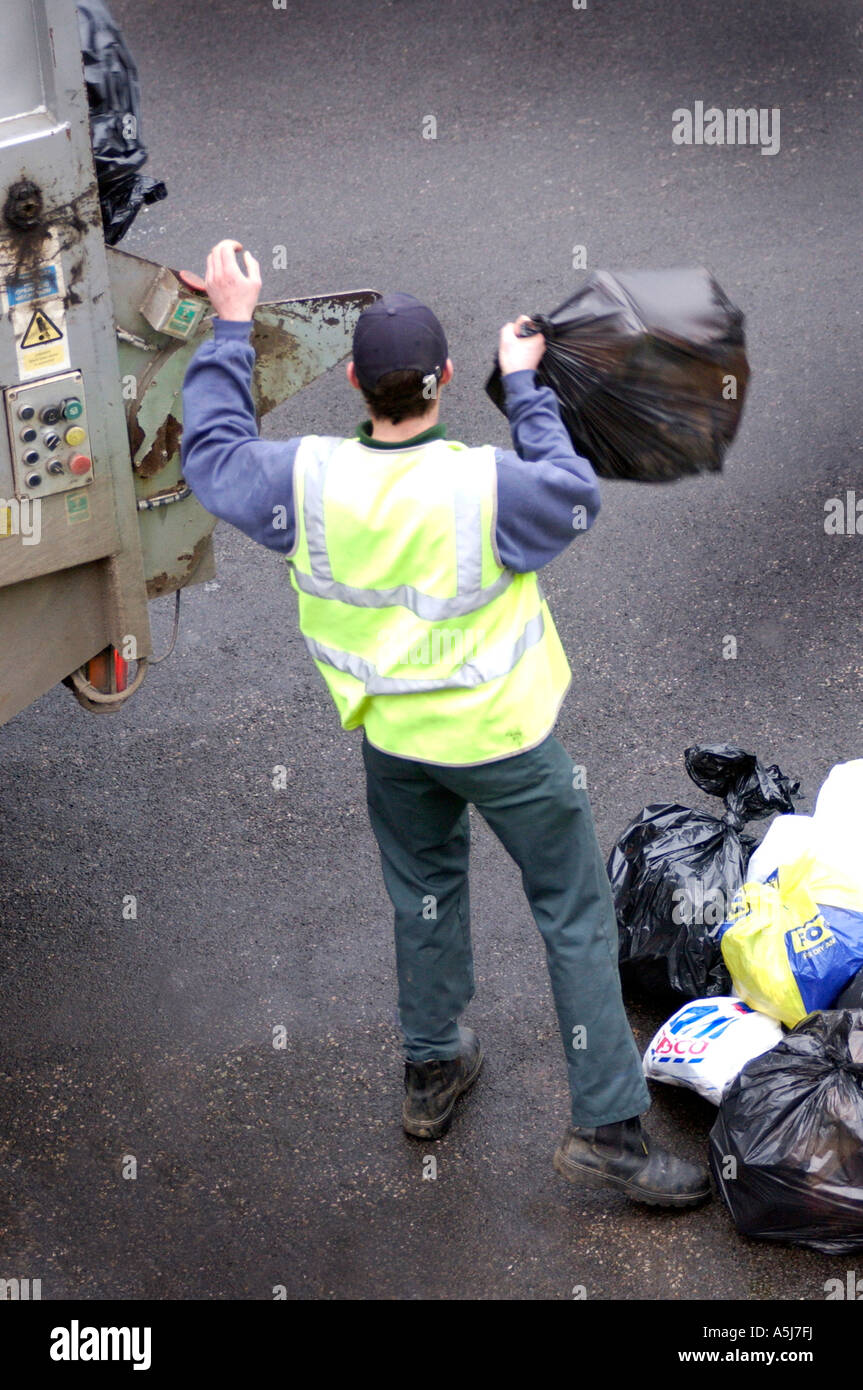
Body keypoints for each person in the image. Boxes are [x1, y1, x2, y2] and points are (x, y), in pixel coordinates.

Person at [181, 239, 710, 1209]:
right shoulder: (485, 486)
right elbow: (573, 492)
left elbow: (210, 451)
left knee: (423, 896)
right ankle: (607, 1130)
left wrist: (228, 323)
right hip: (506, 744)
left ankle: (431, 1069)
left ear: (351, 380)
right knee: (573, 917)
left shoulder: (304, 481)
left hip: (393, 740)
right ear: (445, 381)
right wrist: (527, 390)